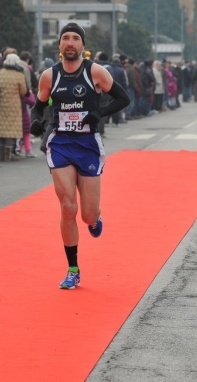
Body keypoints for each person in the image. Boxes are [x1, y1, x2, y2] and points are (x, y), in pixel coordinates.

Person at [29, 22, 129, 289]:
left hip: (87, 144)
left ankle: (95, 218)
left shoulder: (95, 72)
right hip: (60, 143)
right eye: (66, 38)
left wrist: (99, 114)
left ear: (83, 46)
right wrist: (37, 122)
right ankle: (73, 269)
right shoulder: (49, 76)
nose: (70, 42)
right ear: (59, 46)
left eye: (75, 38)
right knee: (67, 207)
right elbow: (37, 107)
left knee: (86, 216)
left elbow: (123, 98)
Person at [0, 53, 26, 161]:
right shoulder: (19, 74)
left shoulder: (0, 72)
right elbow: (23, 91)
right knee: (11, 131)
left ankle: (1, 155)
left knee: (1, 131)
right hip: (14, 106)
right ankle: (8, 155)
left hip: (0, 104)